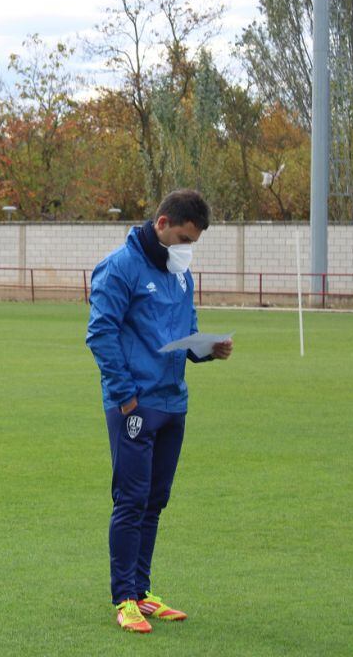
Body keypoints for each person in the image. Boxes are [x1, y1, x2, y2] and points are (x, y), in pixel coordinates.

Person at [86, 189, 233, 633]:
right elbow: (100, 334)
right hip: (135, 404)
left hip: (173, 403)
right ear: (163, 223)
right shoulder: (120, 267)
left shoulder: (180, 273)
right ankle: (123, 598)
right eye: (184, 238)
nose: (187, 248)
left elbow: (185, 333)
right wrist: (126, 396)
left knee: (155, 501)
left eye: (194, 242)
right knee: (130, 500)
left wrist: (209, 349)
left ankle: (143, 591)